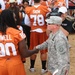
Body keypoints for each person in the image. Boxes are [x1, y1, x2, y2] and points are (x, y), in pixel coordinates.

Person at [0, 9, 39, 75]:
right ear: (10, 19)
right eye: (14, 17)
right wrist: (34, 51)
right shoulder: (18, 33)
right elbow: (24, 53)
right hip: (15, 65)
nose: (15, 19)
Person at [25, 0, 51, 74]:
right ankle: (43, 68)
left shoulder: (29, 9)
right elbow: (49, 20)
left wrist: (33, 26)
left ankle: (32, 67)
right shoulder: (45, 8)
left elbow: (27, 22)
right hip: (43, 31)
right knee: (43, 51)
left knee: (33, 49)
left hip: (33, 31)